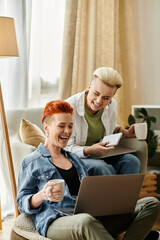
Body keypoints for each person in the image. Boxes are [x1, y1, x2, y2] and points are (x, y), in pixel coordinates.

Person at [17, 100, 160, 240]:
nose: (67, 131)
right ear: (46, 127)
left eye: (70, 126)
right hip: (56, 221)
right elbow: (22, 202)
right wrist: (42, 195)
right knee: (85, 221)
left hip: (90, 218)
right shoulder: (32, 162)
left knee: (151, 203)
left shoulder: (74, 159)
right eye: (61, 126)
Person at [65, 67, 140, 176]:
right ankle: (112, 193)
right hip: (78, 156)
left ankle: (126, 193)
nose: (99, 101)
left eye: (106, 98)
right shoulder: (68, 108)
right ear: (89, 86)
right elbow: (65, 147)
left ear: (112, 97)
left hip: (101, 154)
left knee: (132, 162)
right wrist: (89, 150)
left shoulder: (112, 104)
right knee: (102, 168)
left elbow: (108, 125)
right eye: (96, 93)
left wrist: (125, 133)